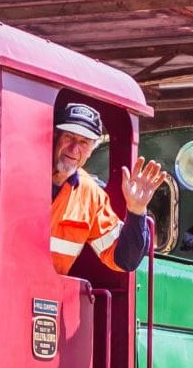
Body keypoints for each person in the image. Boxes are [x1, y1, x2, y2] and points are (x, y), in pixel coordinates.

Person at [50, 98, 167, 275]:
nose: (74, 149)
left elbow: (124, 261)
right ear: (54, 136)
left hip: (46, 297)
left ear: (91, 150)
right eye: (69, 137)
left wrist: (136, 211)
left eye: (84, 142)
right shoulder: (22, 174)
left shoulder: (91, 195)